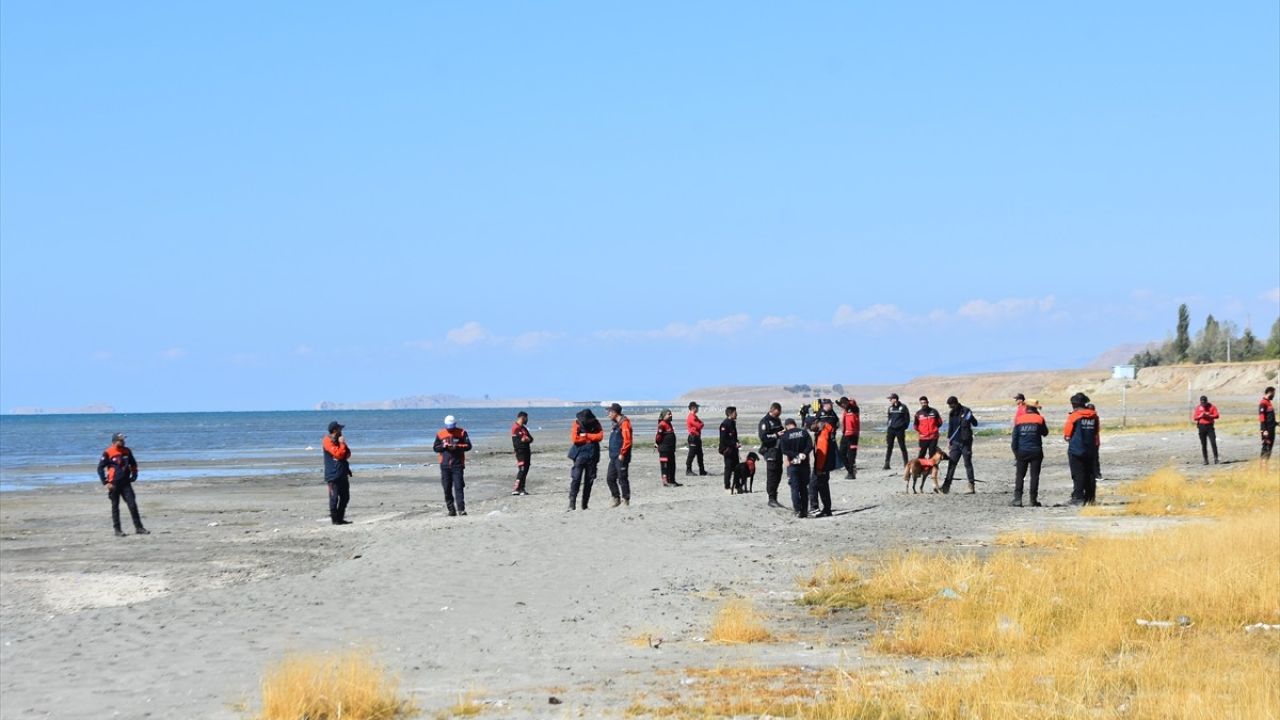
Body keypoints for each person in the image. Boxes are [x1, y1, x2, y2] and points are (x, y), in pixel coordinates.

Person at [96, 432, 149, 537]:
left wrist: (134, 474)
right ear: (115, 441)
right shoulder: (108, 452)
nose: (123, 442)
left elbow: (133, 463)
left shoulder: (127, 451)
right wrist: (106, 482)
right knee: (115, 507)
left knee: (132, 505)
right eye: (121, 440)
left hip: (126, 483)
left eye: (124, 440)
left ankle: (139, 528)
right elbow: (100, 468)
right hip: (114, 483)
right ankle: (117, 530)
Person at [1010, 400, 1049, 507]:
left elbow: (1014, 439)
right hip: (1036, 451)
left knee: (1020, 476)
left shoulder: (1019, 420)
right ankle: (1033, 500)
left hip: (1022, 451)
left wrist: (1016, 453)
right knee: (1034, 476)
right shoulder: (1039, 419)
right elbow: (1045, 433)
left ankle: (1018, 499)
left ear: (1026, 408)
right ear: (1035, 409)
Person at [1064, 393, 1101, 505]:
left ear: (1074, 404)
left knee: (1078, 473)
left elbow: (1067, 435)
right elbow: (1096, 431)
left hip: (1076, 449)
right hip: (1090, 449)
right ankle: (1090, 498)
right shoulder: (1094, 415)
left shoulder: (1074, 416)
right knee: (1090, 473)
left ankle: (1078, 497)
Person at [433, 415, 472, 516]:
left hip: (457, 464)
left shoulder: (462, 432)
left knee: (459, 487)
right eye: (449, 426)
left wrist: (457, 447)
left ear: (455, 424)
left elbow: (468, 446)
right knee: (447, 488)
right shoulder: (440, 433)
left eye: (452, 426)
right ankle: (451, 510)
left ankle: (461, 509)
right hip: (445, 465)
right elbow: (435, 448)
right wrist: (444, 446)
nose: (450, 428)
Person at [941, 396, 979, 494]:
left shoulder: (966, 411)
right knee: (952, 464)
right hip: (955, 443)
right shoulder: (952, 413)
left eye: (951, 405)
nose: (950, 408)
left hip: (966, 443)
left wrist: (970, 418)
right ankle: (946, 486)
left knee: (968, 464)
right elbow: (951, 427)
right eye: (949, 406)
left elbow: (975, 423)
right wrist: (949, 439)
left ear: (955, 403)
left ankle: (971, 486)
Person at [568, 408, 604, 510]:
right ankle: (572, 502)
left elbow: (600, 436)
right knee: (576, 478)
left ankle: (584, 504)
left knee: (589, 480)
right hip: (579, 453)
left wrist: (586, 436)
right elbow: (575, 438)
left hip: (592, 454)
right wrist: (589, 438)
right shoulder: (576, 423)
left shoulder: (596, 423)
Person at [778, 418, 813, 518]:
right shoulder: (804, 432)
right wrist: (803, 454)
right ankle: (805, 510)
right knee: (804, 488)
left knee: (794, 488)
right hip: (804, 464)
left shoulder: (785, 436)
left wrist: (796, 455)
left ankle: (797, 510)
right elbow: (810, 446)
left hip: (792, 464)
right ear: (794, 424)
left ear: (787, 426)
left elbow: (784, 451)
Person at [323, 421, 353, 524]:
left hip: (342, 473)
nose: (342, 431)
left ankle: (340, 518)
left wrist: (342, 444)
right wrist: (341, 444)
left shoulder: (339, 441)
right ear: (335, 430)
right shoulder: (327, 441)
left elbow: (347, 453)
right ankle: (335, 520)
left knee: (345, 497)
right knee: (334, 498)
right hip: (333, 475)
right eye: (340, 429)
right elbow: (339, 454)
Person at [758, 402, 786, 508]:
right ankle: (771, 498)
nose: (778, 415)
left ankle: (775, 496)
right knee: (772, 475)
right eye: (777, 413)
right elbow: (763, 437)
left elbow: (781, 431)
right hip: (770, 451)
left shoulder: (777, 420)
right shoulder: (764, 422)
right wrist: (775, 435)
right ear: (772, 410)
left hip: (778, 451)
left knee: (778, 474)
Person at [605, 403, 633, 507]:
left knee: (622, 477)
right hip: (613, 456)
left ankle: (625, 499)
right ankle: (615, 497)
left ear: (614, 412)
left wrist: (622, 453)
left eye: (609, 412)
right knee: (610, 478)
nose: (608, 414)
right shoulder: (615, 424)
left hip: (621, 456)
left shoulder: (624, 423)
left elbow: (627, 440)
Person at [808, 418, 836, 517]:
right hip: (827, 465)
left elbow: (822, 454)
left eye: (809, 426)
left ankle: (814, 508)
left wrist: (819, 469)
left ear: (815, 423)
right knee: (824, 487)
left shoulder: (822, 436)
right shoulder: (827, 430)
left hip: (822, 466)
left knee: (813, 486)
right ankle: (827, 509)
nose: (809, 429)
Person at [883, 393, 911, 469]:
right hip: (891, 430)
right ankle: (887, 464)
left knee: (902, 447)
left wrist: (904, 427)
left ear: (895, 399)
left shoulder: (903, 407)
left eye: (891, 399)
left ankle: (906, 464)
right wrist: (889, 426)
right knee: (889, 447)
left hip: (900, 430)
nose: (890, 400)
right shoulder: (890, 408)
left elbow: (907, 418)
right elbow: (889, 418)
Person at [655, 409, 681, 487]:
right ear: (663, 416)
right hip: (664, 449)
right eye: (668, 414)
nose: (671, 415)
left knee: (672, 465)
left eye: (671, 414)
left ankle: (672, 480)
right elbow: (658, 437)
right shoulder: (662, 424)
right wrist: (658, 444)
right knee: (665, 465)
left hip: (671, 449)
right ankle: (665, 482)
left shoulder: (669, 424)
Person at [718, 406, 741, 493]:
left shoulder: (732, 423)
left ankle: (737, 486)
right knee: (728, 468)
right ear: (730, 414)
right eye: (735, 413)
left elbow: (734, 436)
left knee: (737, 468)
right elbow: (723, 439)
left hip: (734, 450)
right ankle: (727, 487)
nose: (737, 414)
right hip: (728, 450)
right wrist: (733, 444)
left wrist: (737, 442)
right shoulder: (725, 424)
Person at [511, 411, 534, 495]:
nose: (527, 420)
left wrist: (527, 439)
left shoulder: (523, 428)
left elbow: (530, 439)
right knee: (522, 469)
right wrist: (525, 439)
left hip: (527, 451)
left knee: (526, 469)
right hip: (520, 452)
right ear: (522, 418)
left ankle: (522, 488)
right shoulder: (515, 427)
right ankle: (516, 488)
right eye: (526, 418)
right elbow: (520, 440)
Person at [1192, 396, 1220, 465]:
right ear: (1200, 401)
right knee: (1204, 444)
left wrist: (1209, 415)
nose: (1203, 403)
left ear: (1207, 401)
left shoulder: (1212, 407)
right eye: (1202, 402)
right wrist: (1201, 416)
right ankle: (1205, 460)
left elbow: (1217, 415)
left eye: (1204, 402)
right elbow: (1195, 418)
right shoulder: (1198, 407)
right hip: (1201, 427)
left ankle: (1216, 459)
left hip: (1210, 427)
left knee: (1213, 442)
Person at [837, 397, 860, 479]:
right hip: (845, 434)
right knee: (841, 453)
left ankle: (851, 473)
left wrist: (849, 402)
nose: (842, 407)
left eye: (843, 405)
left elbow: (852, 406)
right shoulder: (846, 410)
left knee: (851, 455)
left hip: (853, 435)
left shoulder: (854, 408)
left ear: (847, 403)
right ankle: (851, 471)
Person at [685, 402, 708, 476]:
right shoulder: (691, 417)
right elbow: (699, 425)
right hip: (693, 437)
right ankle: (688, 470)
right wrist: (700, 424)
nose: (698, 409)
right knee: (691, 454)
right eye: (697, 407)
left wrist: (700, 424)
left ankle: (702, 470)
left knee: (700, 455)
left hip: (697, 437)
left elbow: (701, 424)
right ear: (693, 408)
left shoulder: (695, 416)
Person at [1261, 386, 1277, 468]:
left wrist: (1276, 423)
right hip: (1267, 431)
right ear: (1270, 392)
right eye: (1274, 393)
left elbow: (1269, 417)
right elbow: (1262, 417)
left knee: (1269, 450)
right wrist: (1264, 430)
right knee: (1266, 449)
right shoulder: (1263, 402)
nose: (1274, 395)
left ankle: (1265, 469)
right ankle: (1263, 470)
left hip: (1271, 429)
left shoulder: (1269, 402)